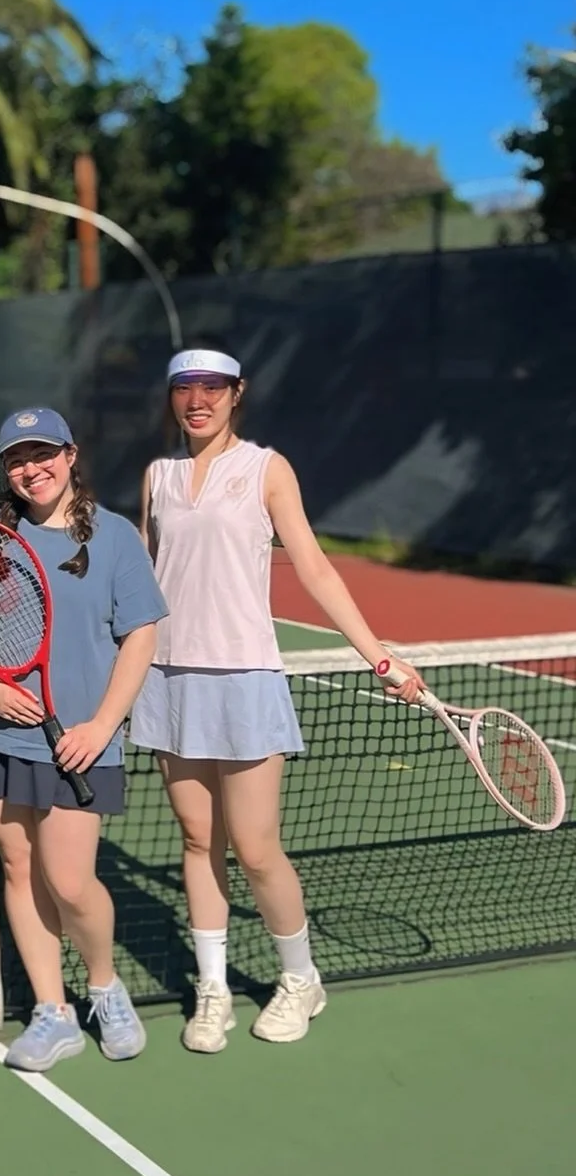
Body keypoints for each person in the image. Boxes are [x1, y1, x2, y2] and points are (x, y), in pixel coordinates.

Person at [130, 348, 424, 1052]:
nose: (197, 399)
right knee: (198, 841)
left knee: (258, 850)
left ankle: (300, 979)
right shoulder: (158, 476)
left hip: (246, 678)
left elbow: (316, 569)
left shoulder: (267, 469)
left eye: (211, 388)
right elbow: (140, 575)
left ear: (237, 394)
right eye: (184, 388)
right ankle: (213, 992)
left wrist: (379, 655)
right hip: (169, 678)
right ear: (172, 398)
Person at [0, 407, 167, 1073]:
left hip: (79, 740)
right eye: (16, 459)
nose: (29, 469)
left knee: (69, 881)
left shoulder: (117, 538)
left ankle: (103, 986)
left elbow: (141, 636)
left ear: (69, 457)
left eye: (42, 455)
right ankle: (51, 1011)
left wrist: (102, 726)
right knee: (17, 865)